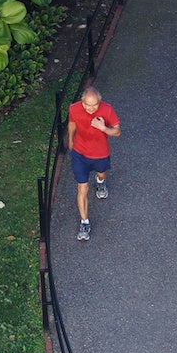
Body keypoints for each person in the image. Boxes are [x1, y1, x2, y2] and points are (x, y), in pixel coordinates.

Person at [68, 81, 119, 242]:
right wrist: (70, 140)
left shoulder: (107, 110)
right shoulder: (74, 108)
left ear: (99, 102)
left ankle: (100, 181)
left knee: (102, 174)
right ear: (82, 101)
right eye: (87, 105)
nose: (90, 109)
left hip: (100, 154)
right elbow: (72, 123)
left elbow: (117, 132)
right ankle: (84, 223)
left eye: (94, 105)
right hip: (80, 153)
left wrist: (103, 128)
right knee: (82, 188)